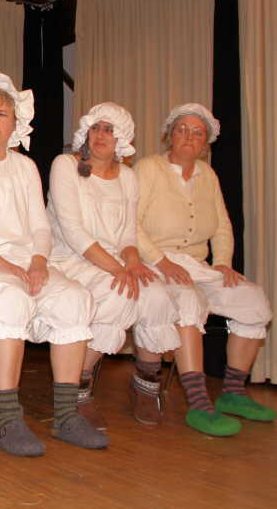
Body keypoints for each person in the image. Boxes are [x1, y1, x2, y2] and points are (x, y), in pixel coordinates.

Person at [0, 71, 107, 456]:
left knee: (74, 298)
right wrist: (0, 263)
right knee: (10, 299)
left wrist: (39, 262)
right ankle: (6, 419)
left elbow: (40, 226)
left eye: (2, 113)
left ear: (16, 122)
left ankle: (66, 416)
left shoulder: (25, 167)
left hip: (21, 262)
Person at [134, 103, 273, 436]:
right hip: (154, 263)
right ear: (169, 135)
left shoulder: (207, 175)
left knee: (252, 299)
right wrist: (161, 261)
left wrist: (222, 263)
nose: (189, 137)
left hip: (196, 265)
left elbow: (222, 226)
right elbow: (130, 223)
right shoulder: (149, 168)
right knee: (188, 301)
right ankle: (198, 403)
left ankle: (233, 393)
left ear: (205, 144)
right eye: (182, 129)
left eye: (197, 133)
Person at [47, 102, 180, 428]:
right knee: (120, 294)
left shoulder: (128, 177)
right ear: (86, 132)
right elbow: (73, 232)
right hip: (70, 258)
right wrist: (118, 270)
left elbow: (128, 233)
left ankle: (146, 385)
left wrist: (132, 263)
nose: (101, 135)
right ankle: (77, 387)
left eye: (109, 129)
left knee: (156, 294)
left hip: (112, 260)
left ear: (121, 138)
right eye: (96, 128)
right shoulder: (65, 165)